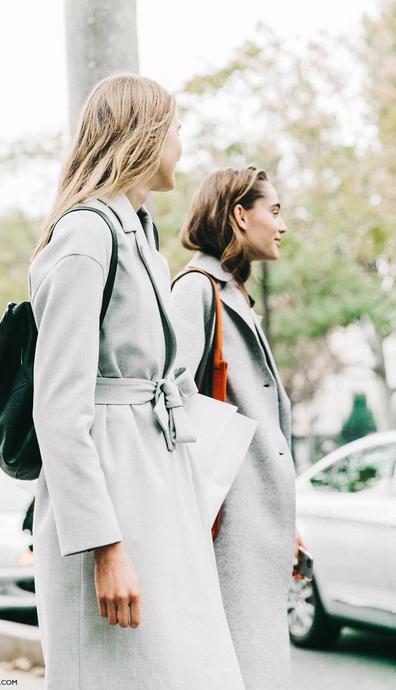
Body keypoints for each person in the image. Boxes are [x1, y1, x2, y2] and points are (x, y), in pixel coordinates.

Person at [28, 75, 246, 690]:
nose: (183, 142)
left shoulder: (136, 233)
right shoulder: (86, 234)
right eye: (176, 127)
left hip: (153, 488)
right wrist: (104, 546)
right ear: (143, 134)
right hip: (117, 499)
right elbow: (59, 407)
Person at [170, 166, 305, 690]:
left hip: (251, 520)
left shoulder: (234, 295)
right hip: (223, 522)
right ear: (238, 215)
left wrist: (285, 519)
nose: (282, 225)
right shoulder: (197, 291)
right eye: (274, 211)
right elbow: (168, 398)